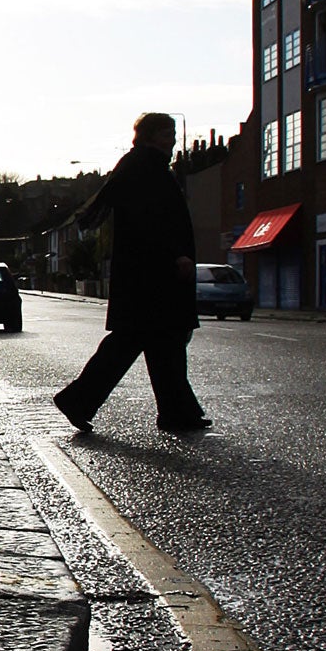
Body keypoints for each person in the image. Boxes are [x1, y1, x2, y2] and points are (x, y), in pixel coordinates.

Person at [52, 113, 210, 434]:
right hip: (152, 278)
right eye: (167, 134)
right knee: (139, 344)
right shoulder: (146, 169)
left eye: (173, 133)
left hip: (144, 277)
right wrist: (176, 254)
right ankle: (79, 400)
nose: (173, 140)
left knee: (158, 345)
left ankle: (175, 412)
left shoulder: (140, 166)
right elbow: (152, 221)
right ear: (150, 136)